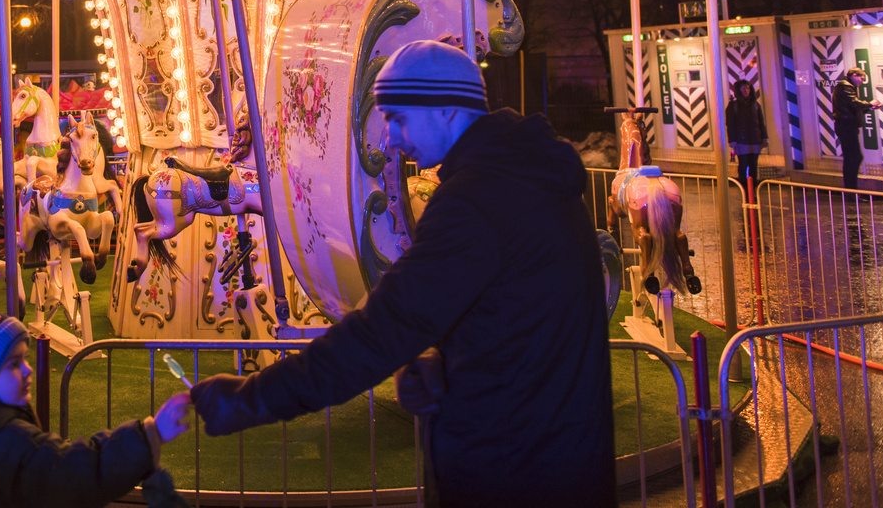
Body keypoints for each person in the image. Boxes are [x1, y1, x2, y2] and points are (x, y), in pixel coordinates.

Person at [189, 40, 615, 508]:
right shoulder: (531, 179)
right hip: (559, 453)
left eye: (398, 117)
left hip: (514, 468)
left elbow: (384, 330)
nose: (389, 137)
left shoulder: (477, 199)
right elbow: (516, 314)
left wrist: (253, 398)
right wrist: (442, 358)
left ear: (449, 111)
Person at [0, 308, 192, 507]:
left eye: (25, 359)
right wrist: (148, 434)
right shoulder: (6, 441)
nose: (28, 371)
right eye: (15, 365)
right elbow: (74, 474)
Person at [831, 67, 879, 190]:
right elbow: (854, 103)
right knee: (855, 157)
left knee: (851, 157)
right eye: (861, 78)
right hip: (846, 126)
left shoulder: (845, 86)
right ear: (854, 75)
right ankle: (851, 190)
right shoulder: (846, 86)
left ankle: (851, 190)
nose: (862, 82)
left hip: (846, 125)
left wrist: (869, 108)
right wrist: (870, 104)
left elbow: (850, 108)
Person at [725, 79, 768, 195]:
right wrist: (732, 140)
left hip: (755, 140)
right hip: (741, 141)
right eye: (743, 89)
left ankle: (753, 187)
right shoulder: (733, 106)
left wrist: (764, 138)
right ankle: (744, 186)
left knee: (754, 164)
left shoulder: (755, 105)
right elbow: (730, 124)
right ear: (738, 90)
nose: (746, 91)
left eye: (748, 88)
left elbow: (761, 122)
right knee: (743, 164)